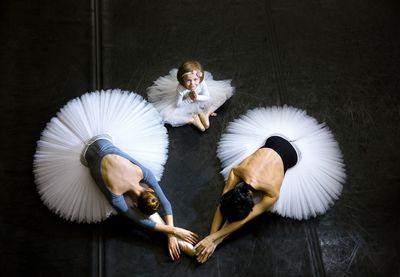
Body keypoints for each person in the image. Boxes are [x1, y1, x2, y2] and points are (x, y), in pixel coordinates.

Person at [33, 89, 197, 261]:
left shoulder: (142, 173)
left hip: (101, 137)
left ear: (150, 190)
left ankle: (182, 243)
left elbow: (164, 204)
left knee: (148, 210)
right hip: (80, 151)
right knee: (147, 213)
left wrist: (173, 233)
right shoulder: (117, 197)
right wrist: (173, 231)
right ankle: (183, 245)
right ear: (134, 202)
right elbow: (146, 218)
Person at [195, 106, 346, 263]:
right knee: (230, 209)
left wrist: (215, 240)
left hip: (294, 153)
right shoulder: (237, 171)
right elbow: (222, 204)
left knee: (238, 213)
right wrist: (210, 239)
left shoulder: (271, 190)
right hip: (274, 138)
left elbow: (244, 219)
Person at [147, 60, 234, 131]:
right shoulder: (180, 89)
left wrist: (197, 97)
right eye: (188, 80)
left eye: (195, 79)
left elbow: (207, 96)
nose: (192, 84)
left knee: (221, 96)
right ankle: (192, 119)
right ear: (182, 81)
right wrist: (189, 99)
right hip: (185, 104)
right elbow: (178, 105)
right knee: (166, 115)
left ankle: (206, 112)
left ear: (199, 78)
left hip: (200, 100)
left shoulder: (201, 82)